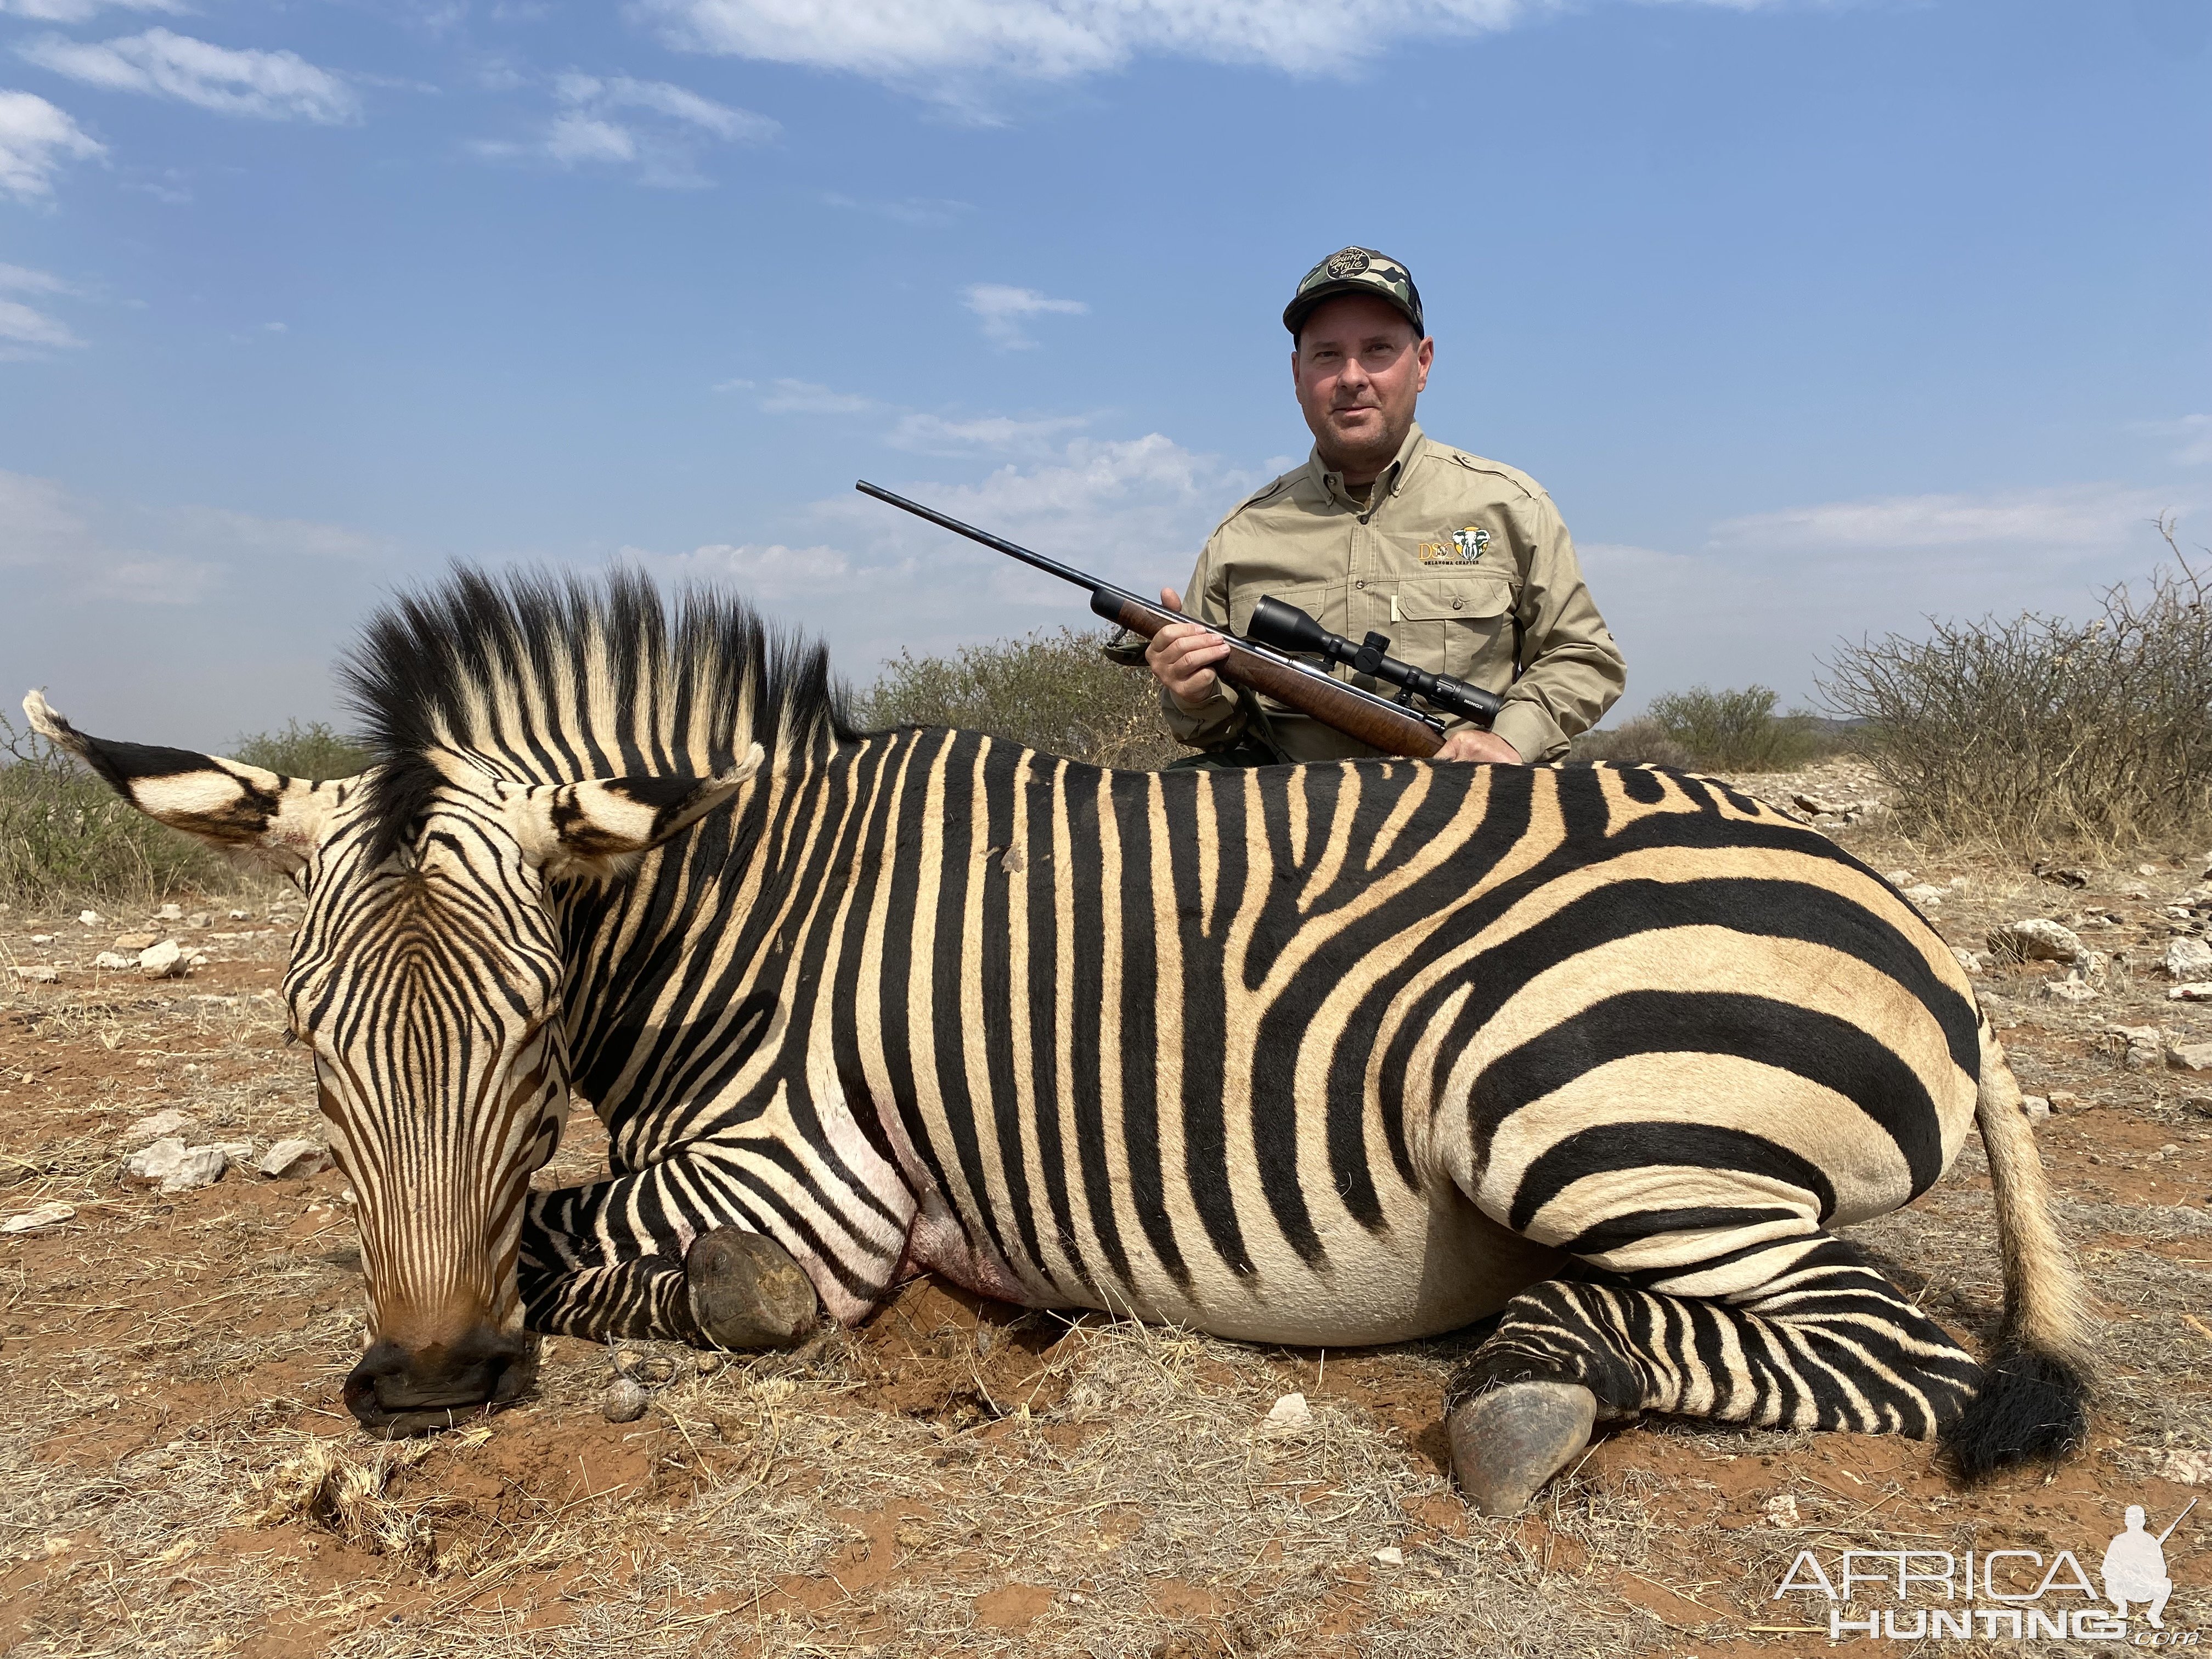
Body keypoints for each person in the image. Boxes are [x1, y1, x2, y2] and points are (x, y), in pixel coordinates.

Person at [1145, 246, 1625, 765]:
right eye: (1327, 355)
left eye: (1377, 350)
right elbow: (1213, 730)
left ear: (1422, 364)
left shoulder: (1511, 507)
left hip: (1468, 814)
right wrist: (1193, 693)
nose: (1352, 377)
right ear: (1297, 374)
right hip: (1289, 828)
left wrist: (1510, 738)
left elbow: (1585, 657)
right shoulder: (1239, 537)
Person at [2102, 1505, 2175, 1628]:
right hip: (2123, 1588)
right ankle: (2122, 1606)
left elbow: (2161, 1570)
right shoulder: (2119, 1541)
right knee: (2110, 1583)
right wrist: (2123, 1572)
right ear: (2126, 1521)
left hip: (2144, 1589)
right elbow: (2106, 1569)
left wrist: (2145, 1570)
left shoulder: (2151, 1542)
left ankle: (2154, 1614)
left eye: (2137, 1520)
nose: (2134, 1523)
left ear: (2143, 1522)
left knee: (2166, 1583)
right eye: (2131, 1519)